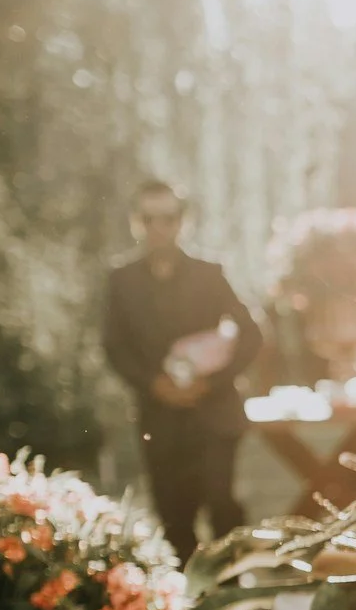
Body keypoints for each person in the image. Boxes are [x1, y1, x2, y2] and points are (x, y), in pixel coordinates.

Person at [101, 180, 264, 558]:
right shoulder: (120, 280)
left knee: (223, 509)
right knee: (174, 518)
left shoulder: (210, 273)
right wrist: (154, 384)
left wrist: (211, 383)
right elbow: (114, 347)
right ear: (135, 222)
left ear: (183, 221)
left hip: (214, 414)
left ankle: (235, 606)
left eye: (168, 218)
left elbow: (252, 334)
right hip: (159, 419)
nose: (159, 228)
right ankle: (188, 606)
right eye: (149, 218)